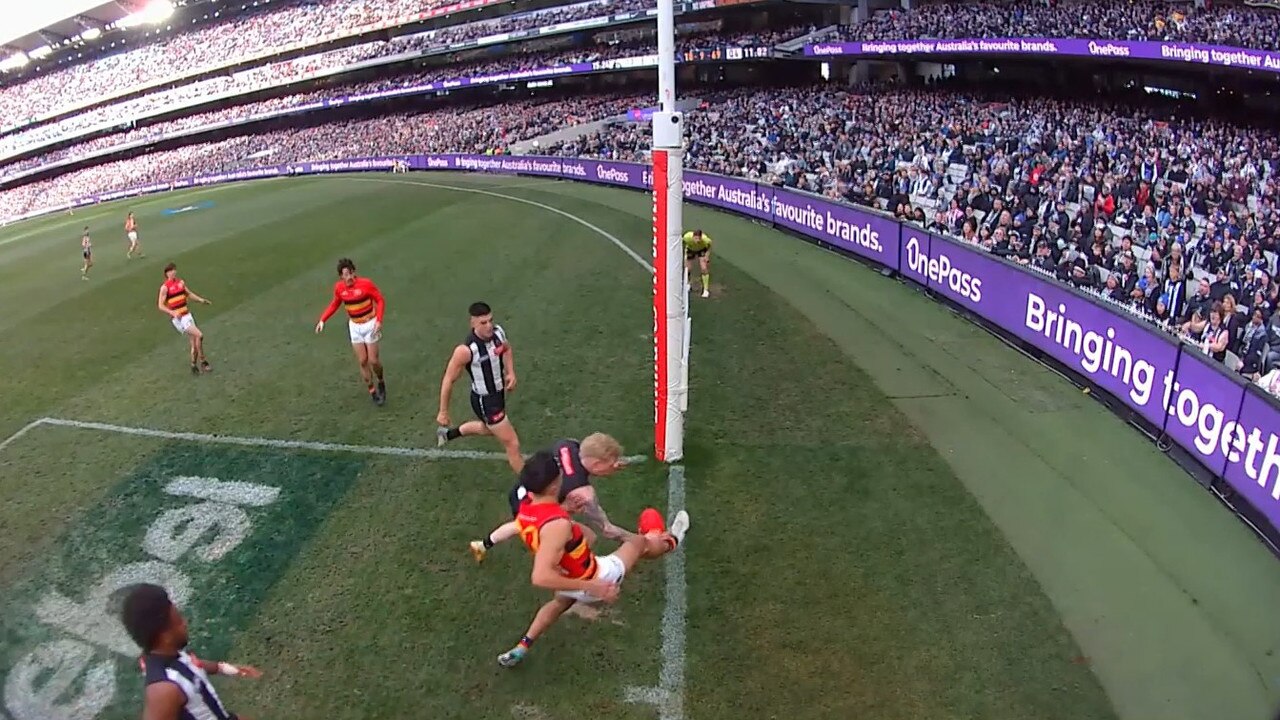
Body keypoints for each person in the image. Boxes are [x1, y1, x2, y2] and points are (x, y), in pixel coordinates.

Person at [496, 451, 690, 668]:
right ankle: (669, 539)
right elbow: (540, 577)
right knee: (637, 543)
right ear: (552, 486)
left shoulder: (525, 506)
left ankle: (522, 647)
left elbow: (564, 534)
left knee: (559, 603)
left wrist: (565, 512)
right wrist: (592, 586)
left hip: (567, 575)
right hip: (594, 577)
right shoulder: (558, 525)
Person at [469, 433, 629, 563]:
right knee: (587, 536)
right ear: (597, 464)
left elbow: (575, 466)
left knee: (520, 524)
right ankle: (567, 571)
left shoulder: (568, 444)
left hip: (521, 493)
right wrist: (631, 538)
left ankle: (482, 545)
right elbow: (606, 529)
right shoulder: (584, 492)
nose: (611, 468)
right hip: (537, 507)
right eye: (609, 464)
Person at [121, 583, 263, 720]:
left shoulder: (166, 652)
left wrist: (226, 668)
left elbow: (191, 664)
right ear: (165, 636)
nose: (185, 623)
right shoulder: (164, 690)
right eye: (179, 621)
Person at [436, 301, 522, 472]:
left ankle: (447, 434)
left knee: (489, 429)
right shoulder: (466, 350)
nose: (489, 326)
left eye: (490, 320)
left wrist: (511, 372)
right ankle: (532, 489)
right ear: (473, 323)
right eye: (483, 322)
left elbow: (507, 349)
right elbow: (448, 379)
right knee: (512, 443)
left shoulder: (498, 333)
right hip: (485, 401)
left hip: (498, 395)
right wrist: (443, 411)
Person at [315, 258, 388, 405]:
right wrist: (323, 320)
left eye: (349, 273)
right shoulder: (339, 288)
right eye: (344, 275)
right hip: (355, 327)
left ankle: (380, 381)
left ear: (354, 273)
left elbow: (380, 300)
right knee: (362, 361)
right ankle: (373, 392)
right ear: (341, 277)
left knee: (373, 361)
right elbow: (335, 304)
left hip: (370, 324)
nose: (347, 277)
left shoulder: (366, 284)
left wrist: (379, 320)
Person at [158, 262, 212, 374]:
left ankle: (193, 364)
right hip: (179, 319)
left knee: (194, 341)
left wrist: (201, 300)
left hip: (187, 315)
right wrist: (172, 312)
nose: (173, 272)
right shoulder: (164, 288)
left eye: (174, 270)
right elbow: (160, 305)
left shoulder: (180, 283)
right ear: (166, 274)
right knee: (199, 335)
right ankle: (203, 361)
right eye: (170, 271)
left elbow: (189, 294)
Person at [683, 228, 713, 298]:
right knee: (688, 268)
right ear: (693, 237)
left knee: (704, 268)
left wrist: (706, 256)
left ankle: (706, 290)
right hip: (691, 249)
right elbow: (682, 243)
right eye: (695, 238)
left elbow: (709, 246)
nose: (697, 241)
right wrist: (684, 253)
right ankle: (688, 284)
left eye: (698, 239)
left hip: (701, 250)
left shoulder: (705, 240)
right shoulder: (686, 237)